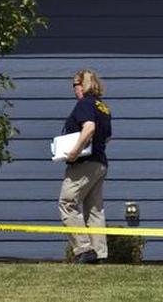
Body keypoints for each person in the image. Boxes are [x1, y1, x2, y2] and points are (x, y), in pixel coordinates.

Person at [58, 68, 113, 264]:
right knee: (95, 209)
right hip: (100, 162)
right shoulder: (103, 107)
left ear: (83, 85)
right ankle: (99, 253)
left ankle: (84, 249)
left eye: (75, 85)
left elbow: (89, 127)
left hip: (84, 163)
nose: (74, 89)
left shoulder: (85, 103)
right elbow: (108, 137)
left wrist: (74, 152)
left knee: (67, 203)